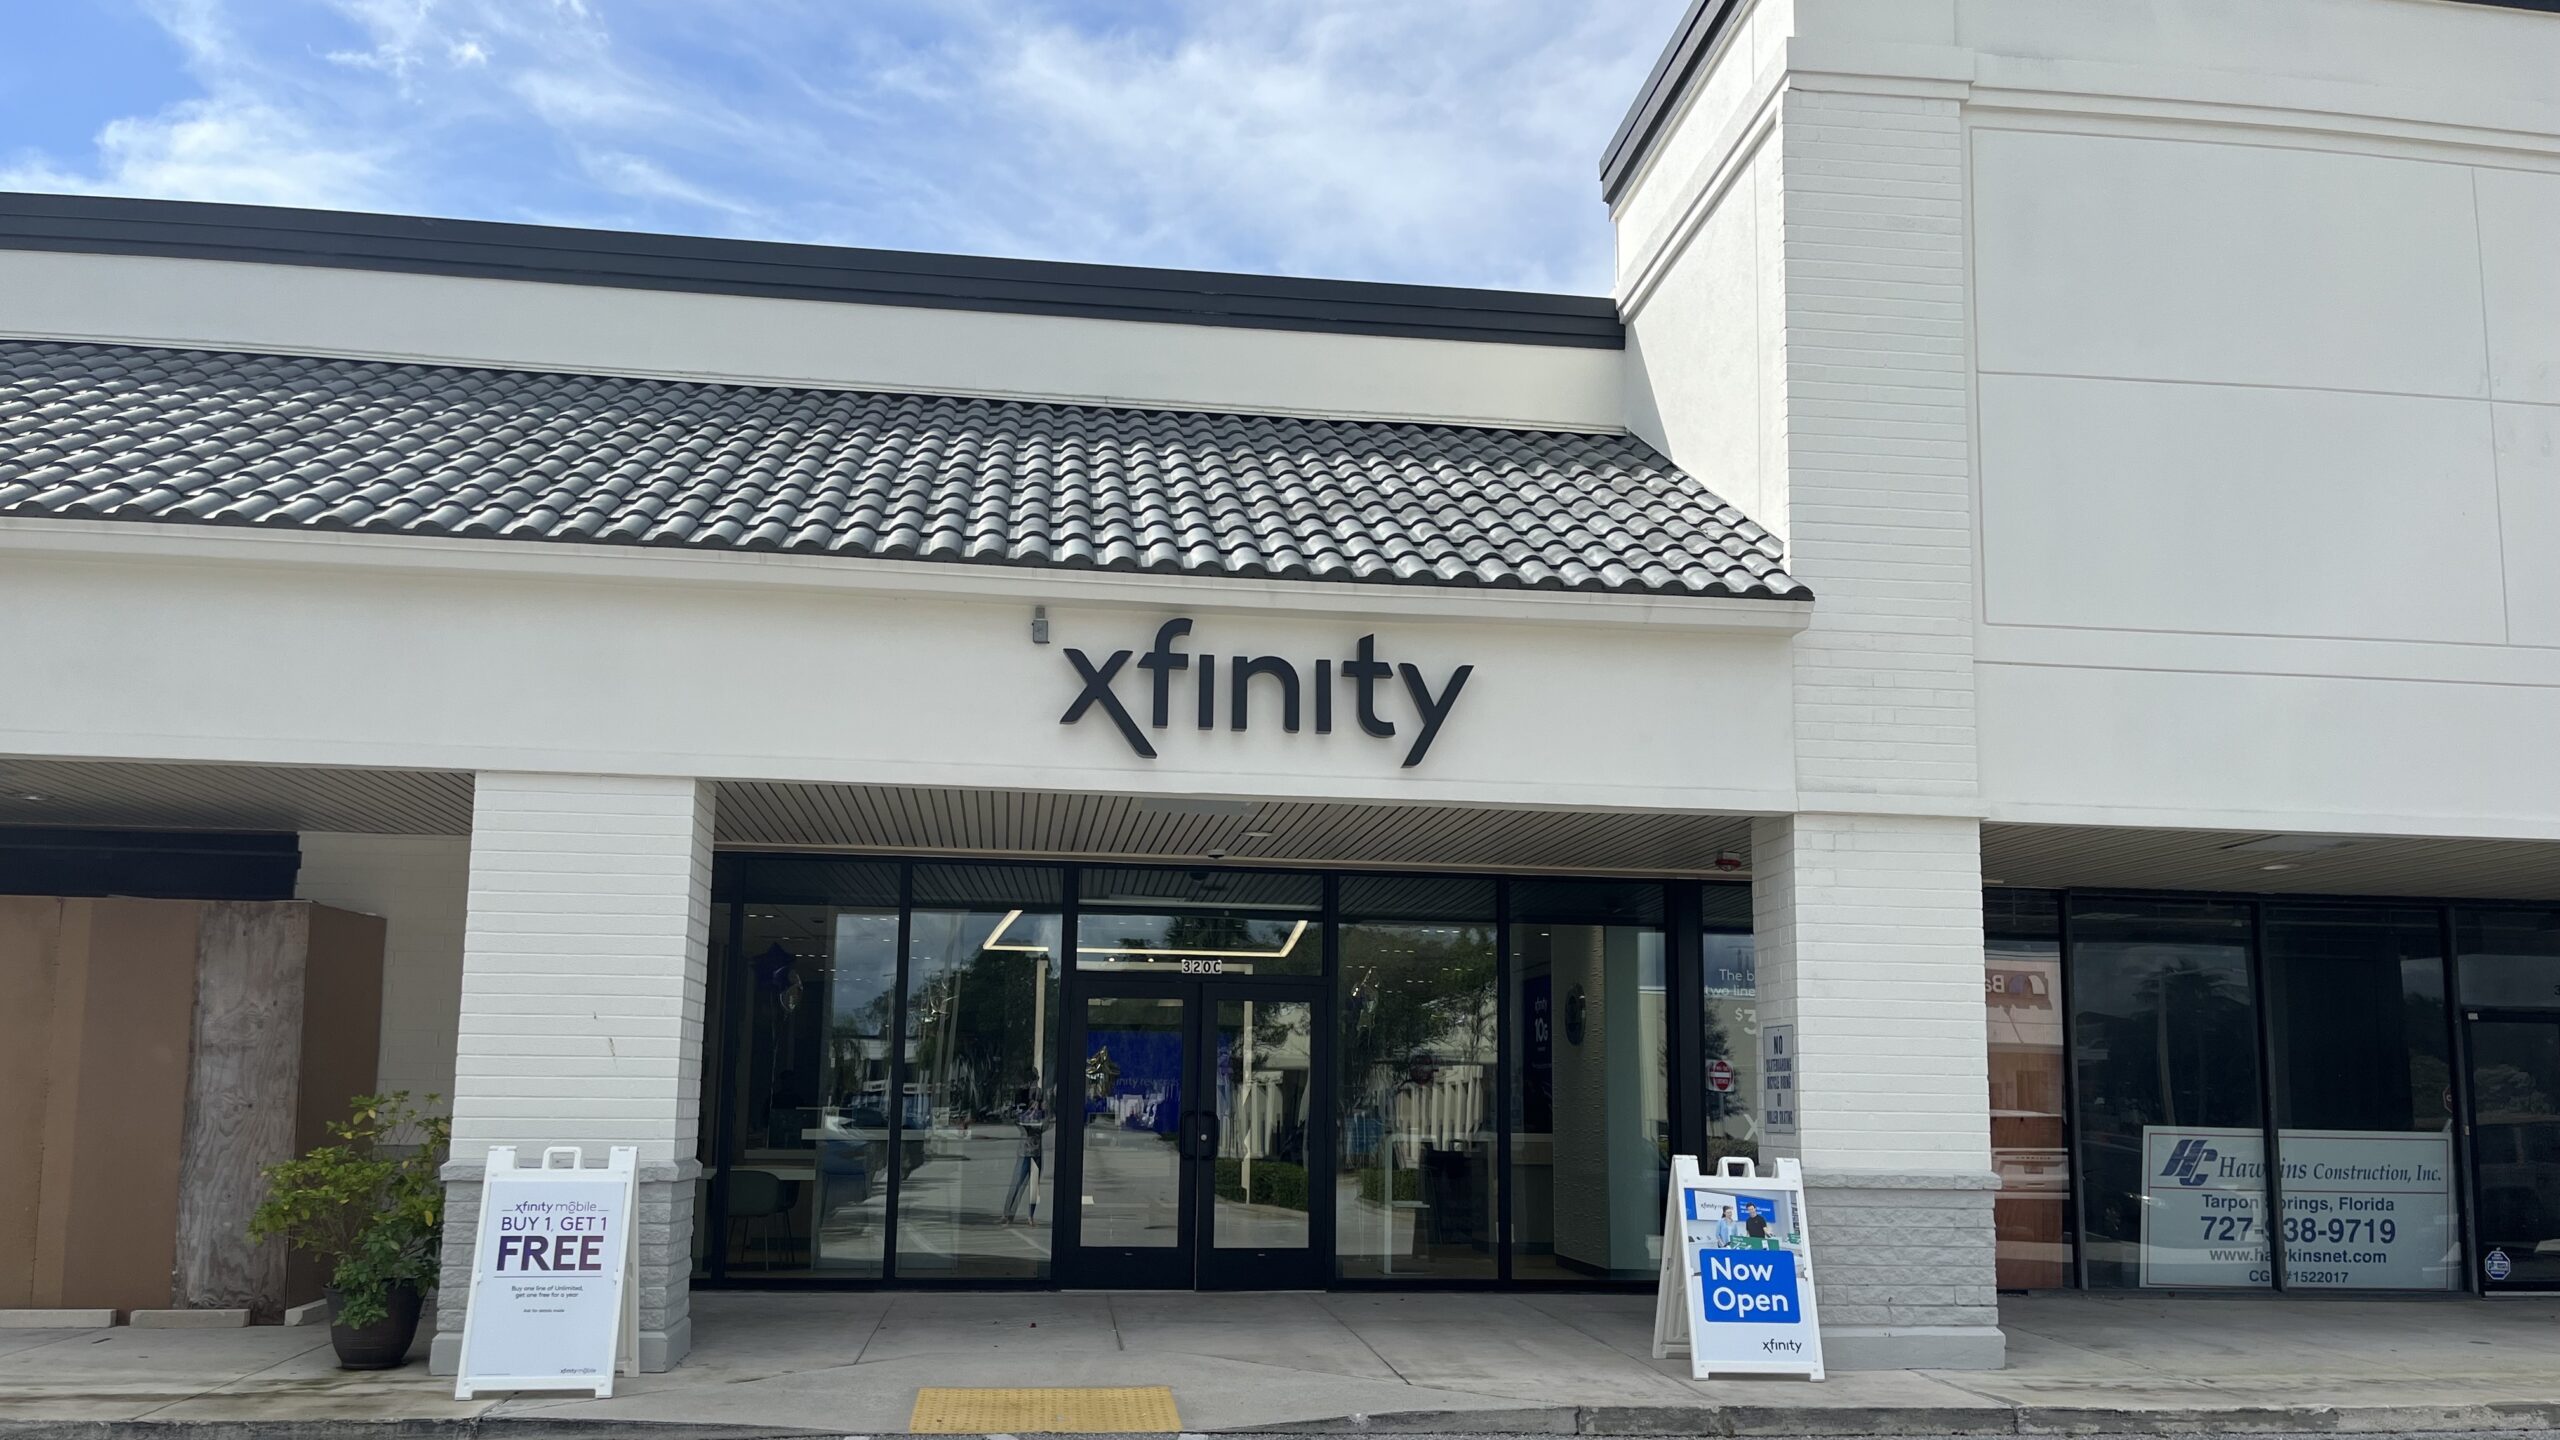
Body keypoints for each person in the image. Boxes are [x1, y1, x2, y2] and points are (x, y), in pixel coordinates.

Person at [1003, 1095, 1051, 1223]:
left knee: (1034, 1187)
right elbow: (1017, 1121)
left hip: (1036, 1155)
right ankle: (1008, 1214)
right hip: (1025, 1154)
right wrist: (1030, 1110)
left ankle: (1030, 1216)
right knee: (1017, 1184)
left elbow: (1047, 1123)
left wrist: (1045, 1110)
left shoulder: (1041, 1119)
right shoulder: (1025, 1118)